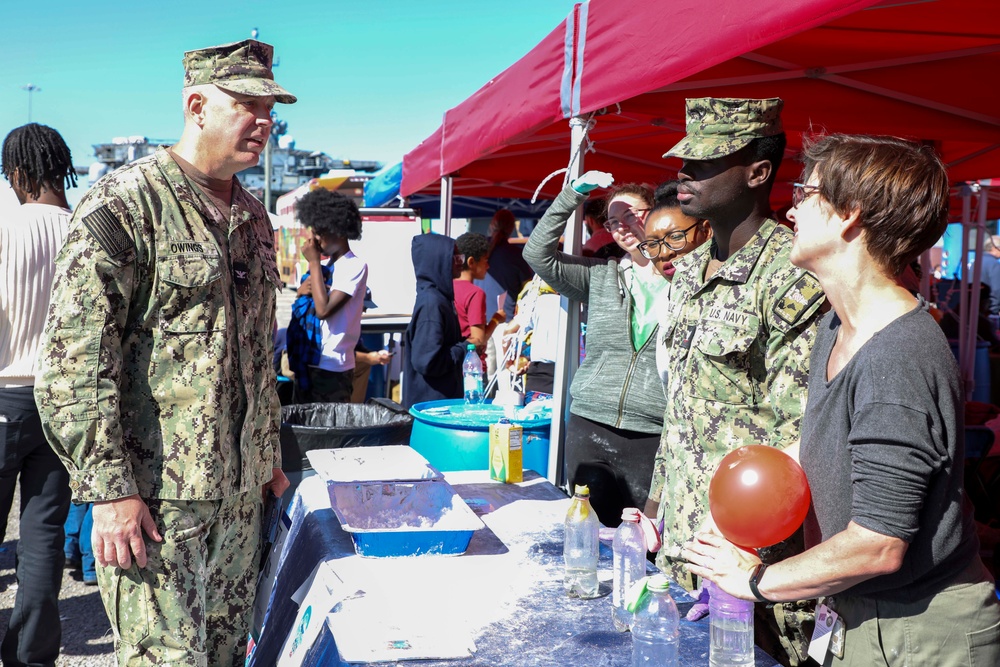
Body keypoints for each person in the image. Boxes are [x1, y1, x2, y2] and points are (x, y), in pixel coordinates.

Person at [684, 133, 1000, 666]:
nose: (790, 208)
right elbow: (820, 442)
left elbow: (878, 544)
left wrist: (756, 582)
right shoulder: (836, 326)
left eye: (805, 194)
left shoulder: (898, 355)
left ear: (851, 216)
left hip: (919, 633)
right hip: (866, 618)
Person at [34, 39, 292, 666]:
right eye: (246, 105)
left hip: (239, 500)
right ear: (197, 104)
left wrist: (267, 457)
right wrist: (107, 490)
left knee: (232, 655)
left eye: (271, 109)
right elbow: (74, 363)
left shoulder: (255, 219)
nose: (264, 122)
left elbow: (257, 355)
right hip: (156, 504)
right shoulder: (127, 203)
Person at [648, 98, 826, 665]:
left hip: (747, 563)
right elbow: (680, 406)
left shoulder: (790, 277)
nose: (686, 173)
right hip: (679, 543)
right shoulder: (690, 271)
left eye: (706, 162)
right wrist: (653, 509)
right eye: (685, 161)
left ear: (757, 172)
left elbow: (800, 439)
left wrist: (743, 557)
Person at [524, 174, 675, 527]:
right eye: (612, 220)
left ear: (655, 214)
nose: (621, 227)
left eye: (630, 216)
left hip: (653, 433)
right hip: (590, 425)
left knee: (647, 542)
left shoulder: (686, 278)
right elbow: (536, 253)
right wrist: (573, 195)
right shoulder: (600, 276)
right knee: (589, 534)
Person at [0, 122, 74, 667]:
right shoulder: (86, 231)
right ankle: (30, 656)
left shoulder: (4, 228)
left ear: (19, 173)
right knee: (43, 536)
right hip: (64, 403)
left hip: (3, 396)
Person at [293, 188, 369, 403]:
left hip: (333, 367)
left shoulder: (355, 266)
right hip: (309, 361)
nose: (314, 239)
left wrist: (314, 262)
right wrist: (301, 291)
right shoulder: (325, 266)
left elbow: (324, 310)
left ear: (339, 230)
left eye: (319, 233)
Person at [402, 234, 467, 408]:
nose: (460, 261)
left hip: (438, 404)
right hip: (432, 408)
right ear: (438, 261)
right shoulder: (432, 304)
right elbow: (427, 361)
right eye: (454, 258)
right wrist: (464, 348)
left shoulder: (439, 298)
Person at [453, 232, 506, 363]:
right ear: (471, 262)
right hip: (472, 366)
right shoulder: (475, 293)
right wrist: (496, 319)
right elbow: (479, 339)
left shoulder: (447, 287)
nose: (488, 266)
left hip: (454, 361)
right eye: (485, 261)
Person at [980, 234, 1000, 315]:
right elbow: (996, 290)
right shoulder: (994, 264)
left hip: (975, 309)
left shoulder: (975, 262)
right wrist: (994, 310)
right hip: (988, 311)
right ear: (994, 248)